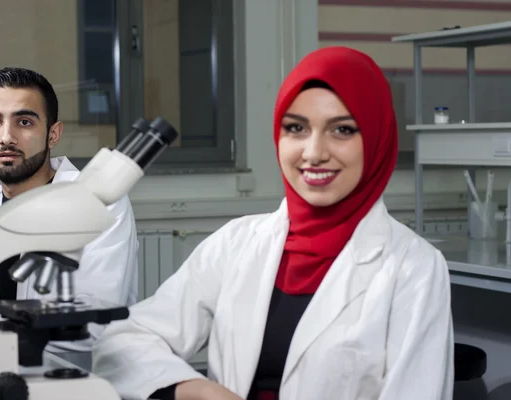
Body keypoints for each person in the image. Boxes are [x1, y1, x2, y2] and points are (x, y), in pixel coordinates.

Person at [91, 47, 454, 399]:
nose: (314, 152)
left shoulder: (413, 267)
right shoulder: (237, 243)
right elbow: (124, 340)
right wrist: (193, 389)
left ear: (376, 139)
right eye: (296, 128)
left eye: (342, 130)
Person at [0, 67, 139, 352]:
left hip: (78, 377)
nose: (7, 137)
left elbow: (90, 325)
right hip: (1, 371)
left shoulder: (100, 203)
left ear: (53, 134)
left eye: (24, 122)